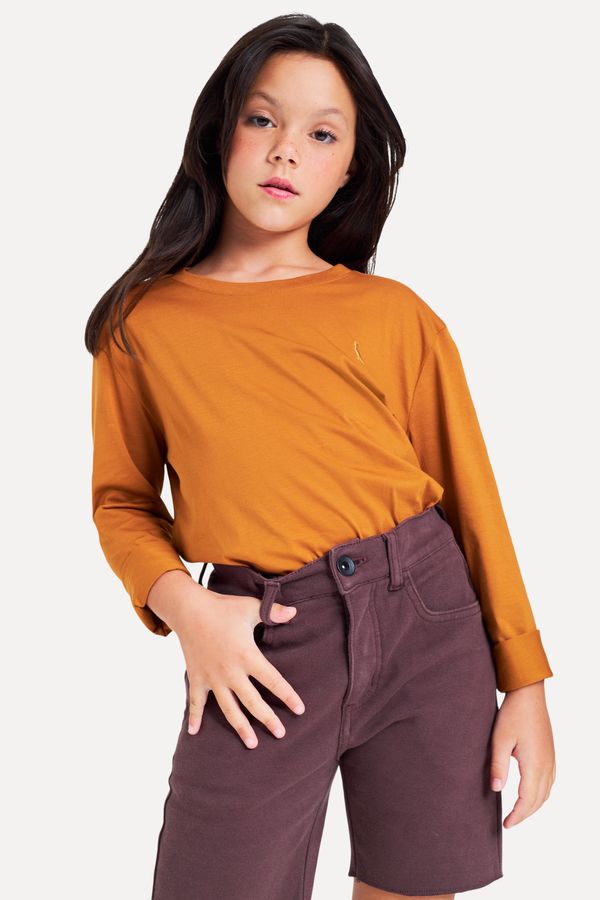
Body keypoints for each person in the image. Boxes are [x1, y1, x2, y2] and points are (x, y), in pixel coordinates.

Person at [86, 13, 556, 900]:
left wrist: (523, 679)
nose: (286, 151)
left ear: (350, 171)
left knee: (414, 887)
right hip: (260, 641)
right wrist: (187, 607)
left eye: (322, 134)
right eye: (263, 119)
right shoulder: (143, 323)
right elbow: (121, 501)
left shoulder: (392, 314)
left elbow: (470, 497)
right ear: (218, 131)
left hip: (427, 624)